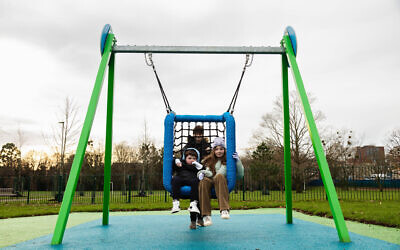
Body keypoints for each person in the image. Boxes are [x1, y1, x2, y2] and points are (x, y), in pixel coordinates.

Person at [197, 137, 244, 226]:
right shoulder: (210, 161)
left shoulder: (228, 161)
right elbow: (209, 173)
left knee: (219, 176)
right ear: (213, 151)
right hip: (211, 181)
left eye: (221, 149)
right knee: (203, 181)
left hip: (220, 182)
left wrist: (237, 161)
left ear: (224, 150)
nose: (219, 151)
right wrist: (202, 173)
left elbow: (240, 175)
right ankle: (206, 215)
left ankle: (224, 209)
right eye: (217, 149)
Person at [171, 148, 204, 229]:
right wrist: (176, 160)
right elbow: (172, 165)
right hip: (181, 180)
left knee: (197, 200)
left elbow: (205, 171)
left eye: (194, 158)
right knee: (175, 179)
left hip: (193, 183)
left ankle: (197, 218)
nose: (192, 160)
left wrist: (201, 168)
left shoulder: (197, 166)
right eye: (189, 158)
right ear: (185, 158)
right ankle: (176, 203)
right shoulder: (181, 164)